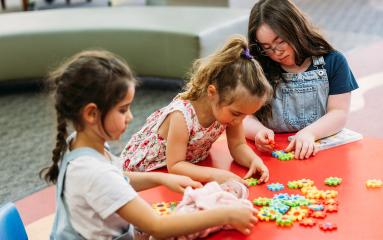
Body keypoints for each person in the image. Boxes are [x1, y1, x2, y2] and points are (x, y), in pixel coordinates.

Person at [40, 50, 258, 240]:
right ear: (91, 113)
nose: (131, 117)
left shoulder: (78, 145)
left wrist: (160, 177)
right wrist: (227, 214)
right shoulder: (93, 173)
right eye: (123, 110)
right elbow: (158, 227)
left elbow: (120, 177)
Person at [121, 35, 273, 184]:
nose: (240, 121)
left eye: (245, 115)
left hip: (184, 167)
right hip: (146, 172)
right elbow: (175, 165)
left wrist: (254, 160)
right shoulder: (182, 116)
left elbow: (238, 145)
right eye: (237, 113)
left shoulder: (230, 110)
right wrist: (214, 175)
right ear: (212, 93)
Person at [244, 0, 359, 159]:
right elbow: (244, 117)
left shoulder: (333, 61)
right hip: (272, 154)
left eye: (281, 41)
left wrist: (310, 133)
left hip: (320, 151)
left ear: (296, 29)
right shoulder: (257, 67)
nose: (277, 52)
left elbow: (338, 113)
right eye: (267, 47)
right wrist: (257, 131)